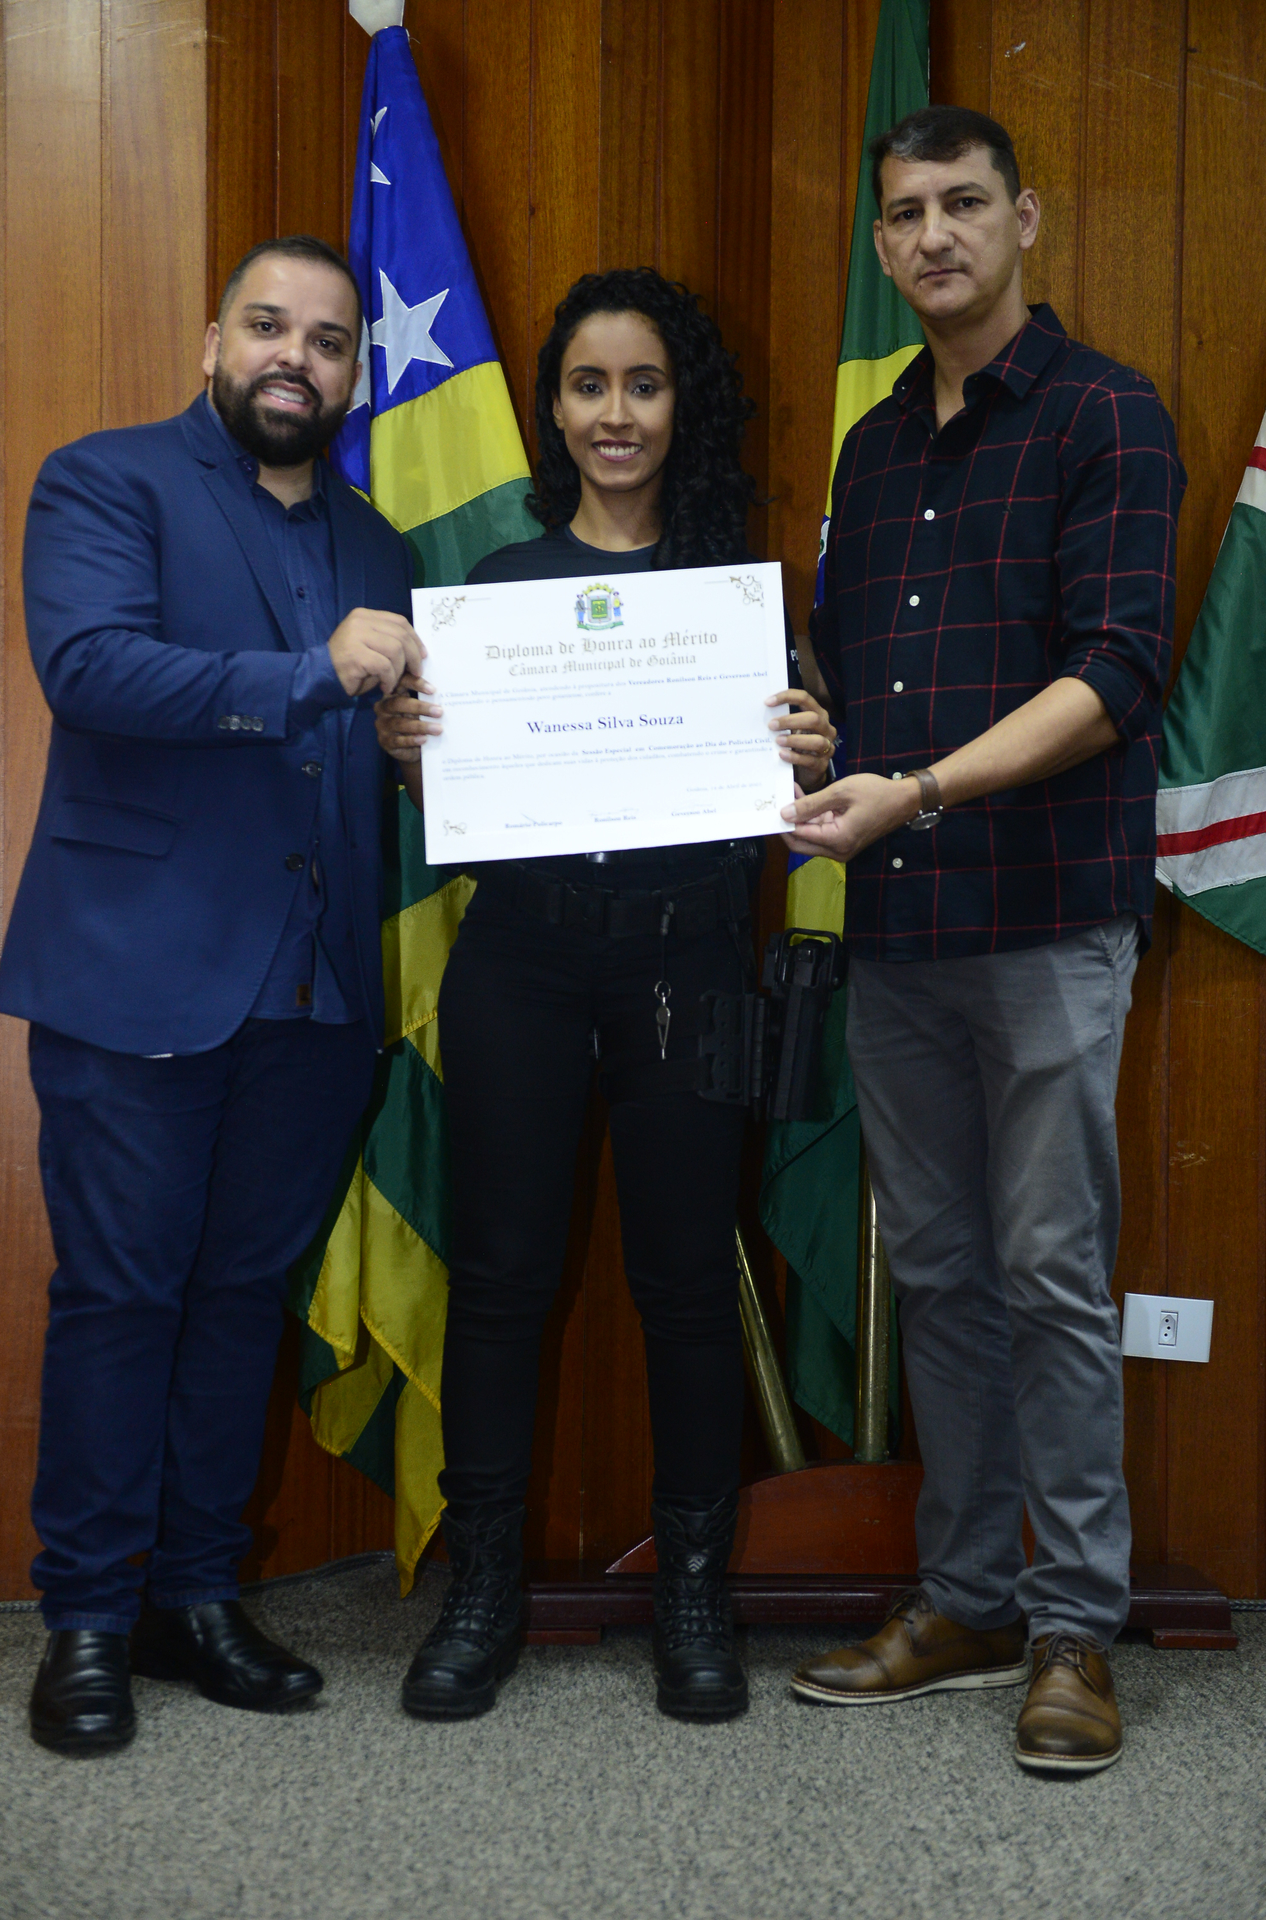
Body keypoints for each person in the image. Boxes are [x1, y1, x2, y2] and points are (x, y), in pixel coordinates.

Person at [783, 108, 1185, 1774]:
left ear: (1026, 216)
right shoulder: (874, 447)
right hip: (901, 930)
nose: (933, 235)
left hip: (1045, 920)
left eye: (963, 204)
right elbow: (855, 686)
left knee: (1051, 1279)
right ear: (880, 244)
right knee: (941, 1278)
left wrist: (921, 787)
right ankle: (966, 1600)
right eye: (904, 214)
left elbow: (1117, 675)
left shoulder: (1107, 414)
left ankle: (1076, 1624)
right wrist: (814, 737)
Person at [376, 267, 835, 1723]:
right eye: (589, 385)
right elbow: (457, 800)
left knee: (688, 1285)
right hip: (518, 960)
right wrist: (413, 753)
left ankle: (694, 1588)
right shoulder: (495, 595)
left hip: (687, 964)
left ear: (681, 402)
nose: (616, 413)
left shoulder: (734, 598)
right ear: (554, 408)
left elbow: (788, 808)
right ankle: (484, 1588)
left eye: (644, 383)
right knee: (500, 1280)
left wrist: (806, 748)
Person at [3, 235, 423, 1756]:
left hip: (315, 990)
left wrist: (410, 752)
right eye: (268, 326)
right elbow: (93, 668)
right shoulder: (104, 482)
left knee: (242, 1301)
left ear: (355, 373)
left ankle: (193, 1599)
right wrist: (318, 675)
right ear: (212, 342)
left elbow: (373, 740)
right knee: (121, 1297)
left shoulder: (381, 546)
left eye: (328, 339)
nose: (294, 358)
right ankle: (88, 1620)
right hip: (139, 973)